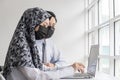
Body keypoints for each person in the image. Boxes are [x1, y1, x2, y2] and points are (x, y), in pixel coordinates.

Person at [3, 7, 85, 80]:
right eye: (44, 25)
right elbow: (38, 76)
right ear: (32, 24)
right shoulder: (20, 47)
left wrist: (71, 67)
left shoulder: (28, 45)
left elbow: (43, 68)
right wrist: (70, 70)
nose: (46, 30)